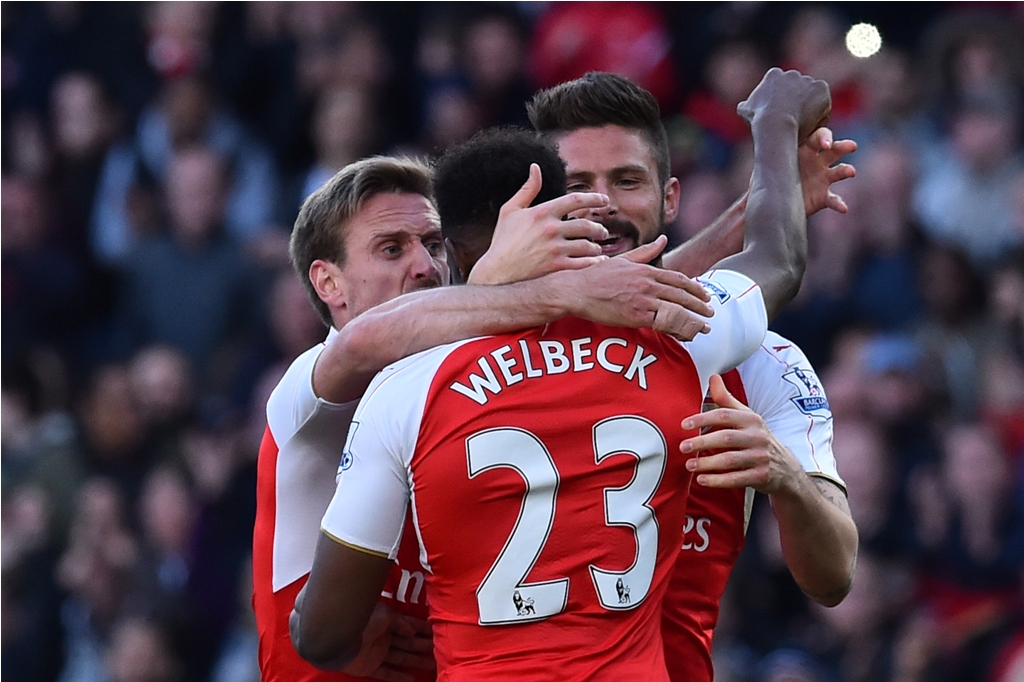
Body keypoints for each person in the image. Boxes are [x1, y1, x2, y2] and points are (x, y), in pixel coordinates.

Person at [291, 67, 827, 680]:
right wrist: (776, 126)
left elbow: (324, 634)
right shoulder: (672, 340)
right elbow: (777, 261)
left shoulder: (405, 385)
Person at [254, 155, 717, 682]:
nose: (425, 266)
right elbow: (368, 342)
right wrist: (561, 290)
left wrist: (748, 211)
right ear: (328, 283)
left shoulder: (470, 373)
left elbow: (647, 293)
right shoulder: (305, 393)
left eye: (432, 244)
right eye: (391, 249)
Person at [526, 71, 858, 681]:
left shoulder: (761, 358)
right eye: (577, 185)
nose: (602, 202)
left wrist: (785, 476)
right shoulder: (484, 347)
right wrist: (768, 177)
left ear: (670, 198)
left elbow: (835, 575)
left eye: (627, 180)